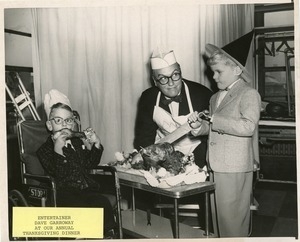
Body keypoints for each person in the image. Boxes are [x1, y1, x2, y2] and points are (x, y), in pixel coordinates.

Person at [187, 31, 261, 237]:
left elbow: (248, 127)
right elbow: (213, 128)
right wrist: (198, 127)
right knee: (217, 216)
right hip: (216, 165)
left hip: (235, 167)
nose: (213, 76)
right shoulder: (215, 98)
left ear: (237, 69)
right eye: (213, 72)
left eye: (218, 71)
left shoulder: (248, 94)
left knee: (232, 220)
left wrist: (213, 119)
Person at [37, 95, 116, 238]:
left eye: (68, 120)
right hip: (62, 192)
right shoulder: (45, 150)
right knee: (80, 206)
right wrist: (58, 150)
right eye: (58, 121)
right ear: (49, 125)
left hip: (84, 189)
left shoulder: (77, 144)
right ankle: (85, 235)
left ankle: (108, 233)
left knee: (101, 201)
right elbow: (58, 173)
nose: (64, 125)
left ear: (73, 124)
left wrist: (96, 144)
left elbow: (90, 163)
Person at [134, 48, 213, 168]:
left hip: (198, 154)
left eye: (175, 75)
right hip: (164, 156)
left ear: (181, 72)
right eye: (163, 78)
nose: (171, 83)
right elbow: (144, 137)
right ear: (155, 81)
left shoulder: (202, 94)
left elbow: (212, 133)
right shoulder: (148, 98)